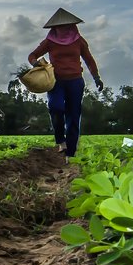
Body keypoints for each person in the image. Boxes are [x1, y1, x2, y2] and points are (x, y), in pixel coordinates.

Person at [27, 8, 104, 158]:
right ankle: (61, 140)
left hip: (75, 81)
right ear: (54, 27)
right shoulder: (49, 41)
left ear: (72, 26)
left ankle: (71, 151)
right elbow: (32, 55)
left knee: (73, 115)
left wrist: (96, 77)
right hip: (56, 82)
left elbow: (89, 60)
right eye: (59, 26)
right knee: (55, 107)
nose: (63, 29)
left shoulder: (79, 41)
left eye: (66, 26)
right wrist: (35, 63)